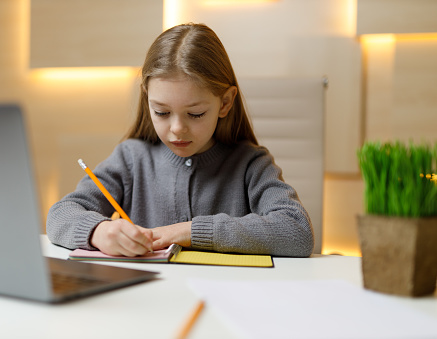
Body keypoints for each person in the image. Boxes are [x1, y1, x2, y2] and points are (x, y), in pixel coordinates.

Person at [46, 23, 314, 258]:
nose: (177, 129)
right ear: (146, 98)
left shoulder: (250, 164)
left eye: (195, 114)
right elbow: (60, 214)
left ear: (225, 102)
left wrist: (188, 232)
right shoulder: (131, 158)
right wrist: (98, 231)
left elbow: (297, 231)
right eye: (161, 112)